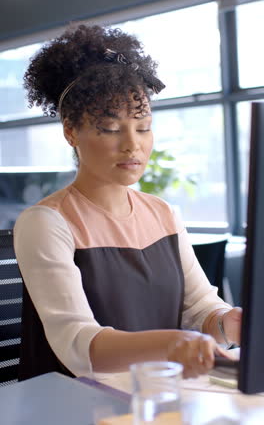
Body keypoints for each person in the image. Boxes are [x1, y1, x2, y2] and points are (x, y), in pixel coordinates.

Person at [14, 24, 241, 383]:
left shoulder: (162, 213)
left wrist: (229, 324)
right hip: (76, 405)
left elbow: (200, 311)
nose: (132, 144)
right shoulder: (45, 222)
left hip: (157, 396)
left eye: (143, 125)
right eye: (110, 128)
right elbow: (77, 346)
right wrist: (174, 344)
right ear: (71, 131)